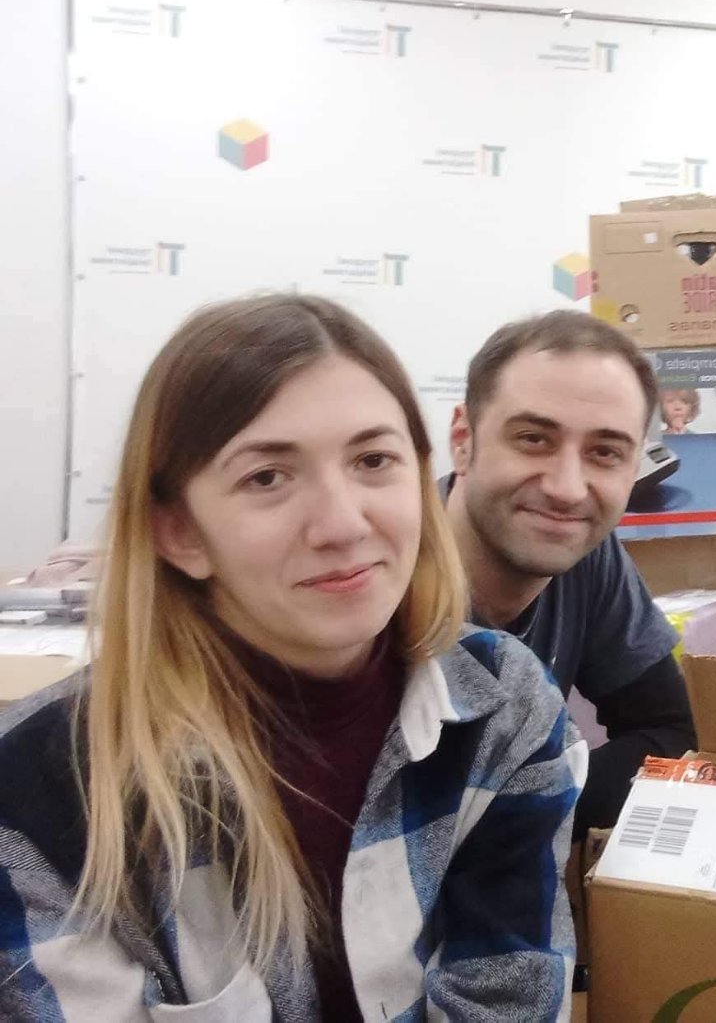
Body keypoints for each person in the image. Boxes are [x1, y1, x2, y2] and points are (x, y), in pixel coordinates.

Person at [0, 294, 584, 1021]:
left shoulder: (502, 705)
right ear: (180, 532)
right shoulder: (39, 791)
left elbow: (510, 997)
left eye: (374, 460)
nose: (342, 524)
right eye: (267, 477)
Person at [444, 311, 694, 833]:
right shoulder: (378, 577)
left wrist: (528, 809)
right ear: (463, 440)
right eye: (533, 439)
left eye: (605, 452)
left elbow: (670, 733)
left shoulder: (585, 551)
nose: (567, 489)